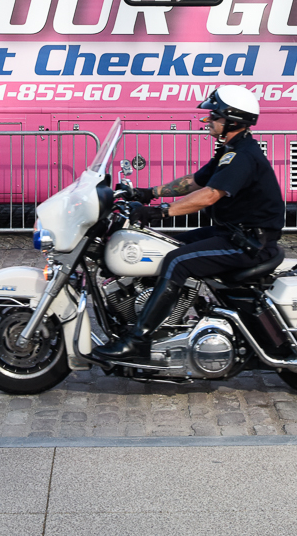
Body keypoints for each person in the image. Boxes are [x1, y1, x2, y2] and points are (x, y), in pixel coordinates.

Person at [91, 85, 285, 364]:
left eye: (214, 116)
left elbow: (208, 195)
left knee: (176, 261)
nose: (207, 120)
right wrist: (147, 193)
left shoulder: (243, 156)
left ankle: (138, 340)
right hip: (234, 233)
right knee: (167, 245)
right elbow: (195, 181)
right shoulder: (230, 151)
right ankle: (169, 320)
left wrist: (161, 213)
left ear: (232, 120)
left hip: (250, 243)